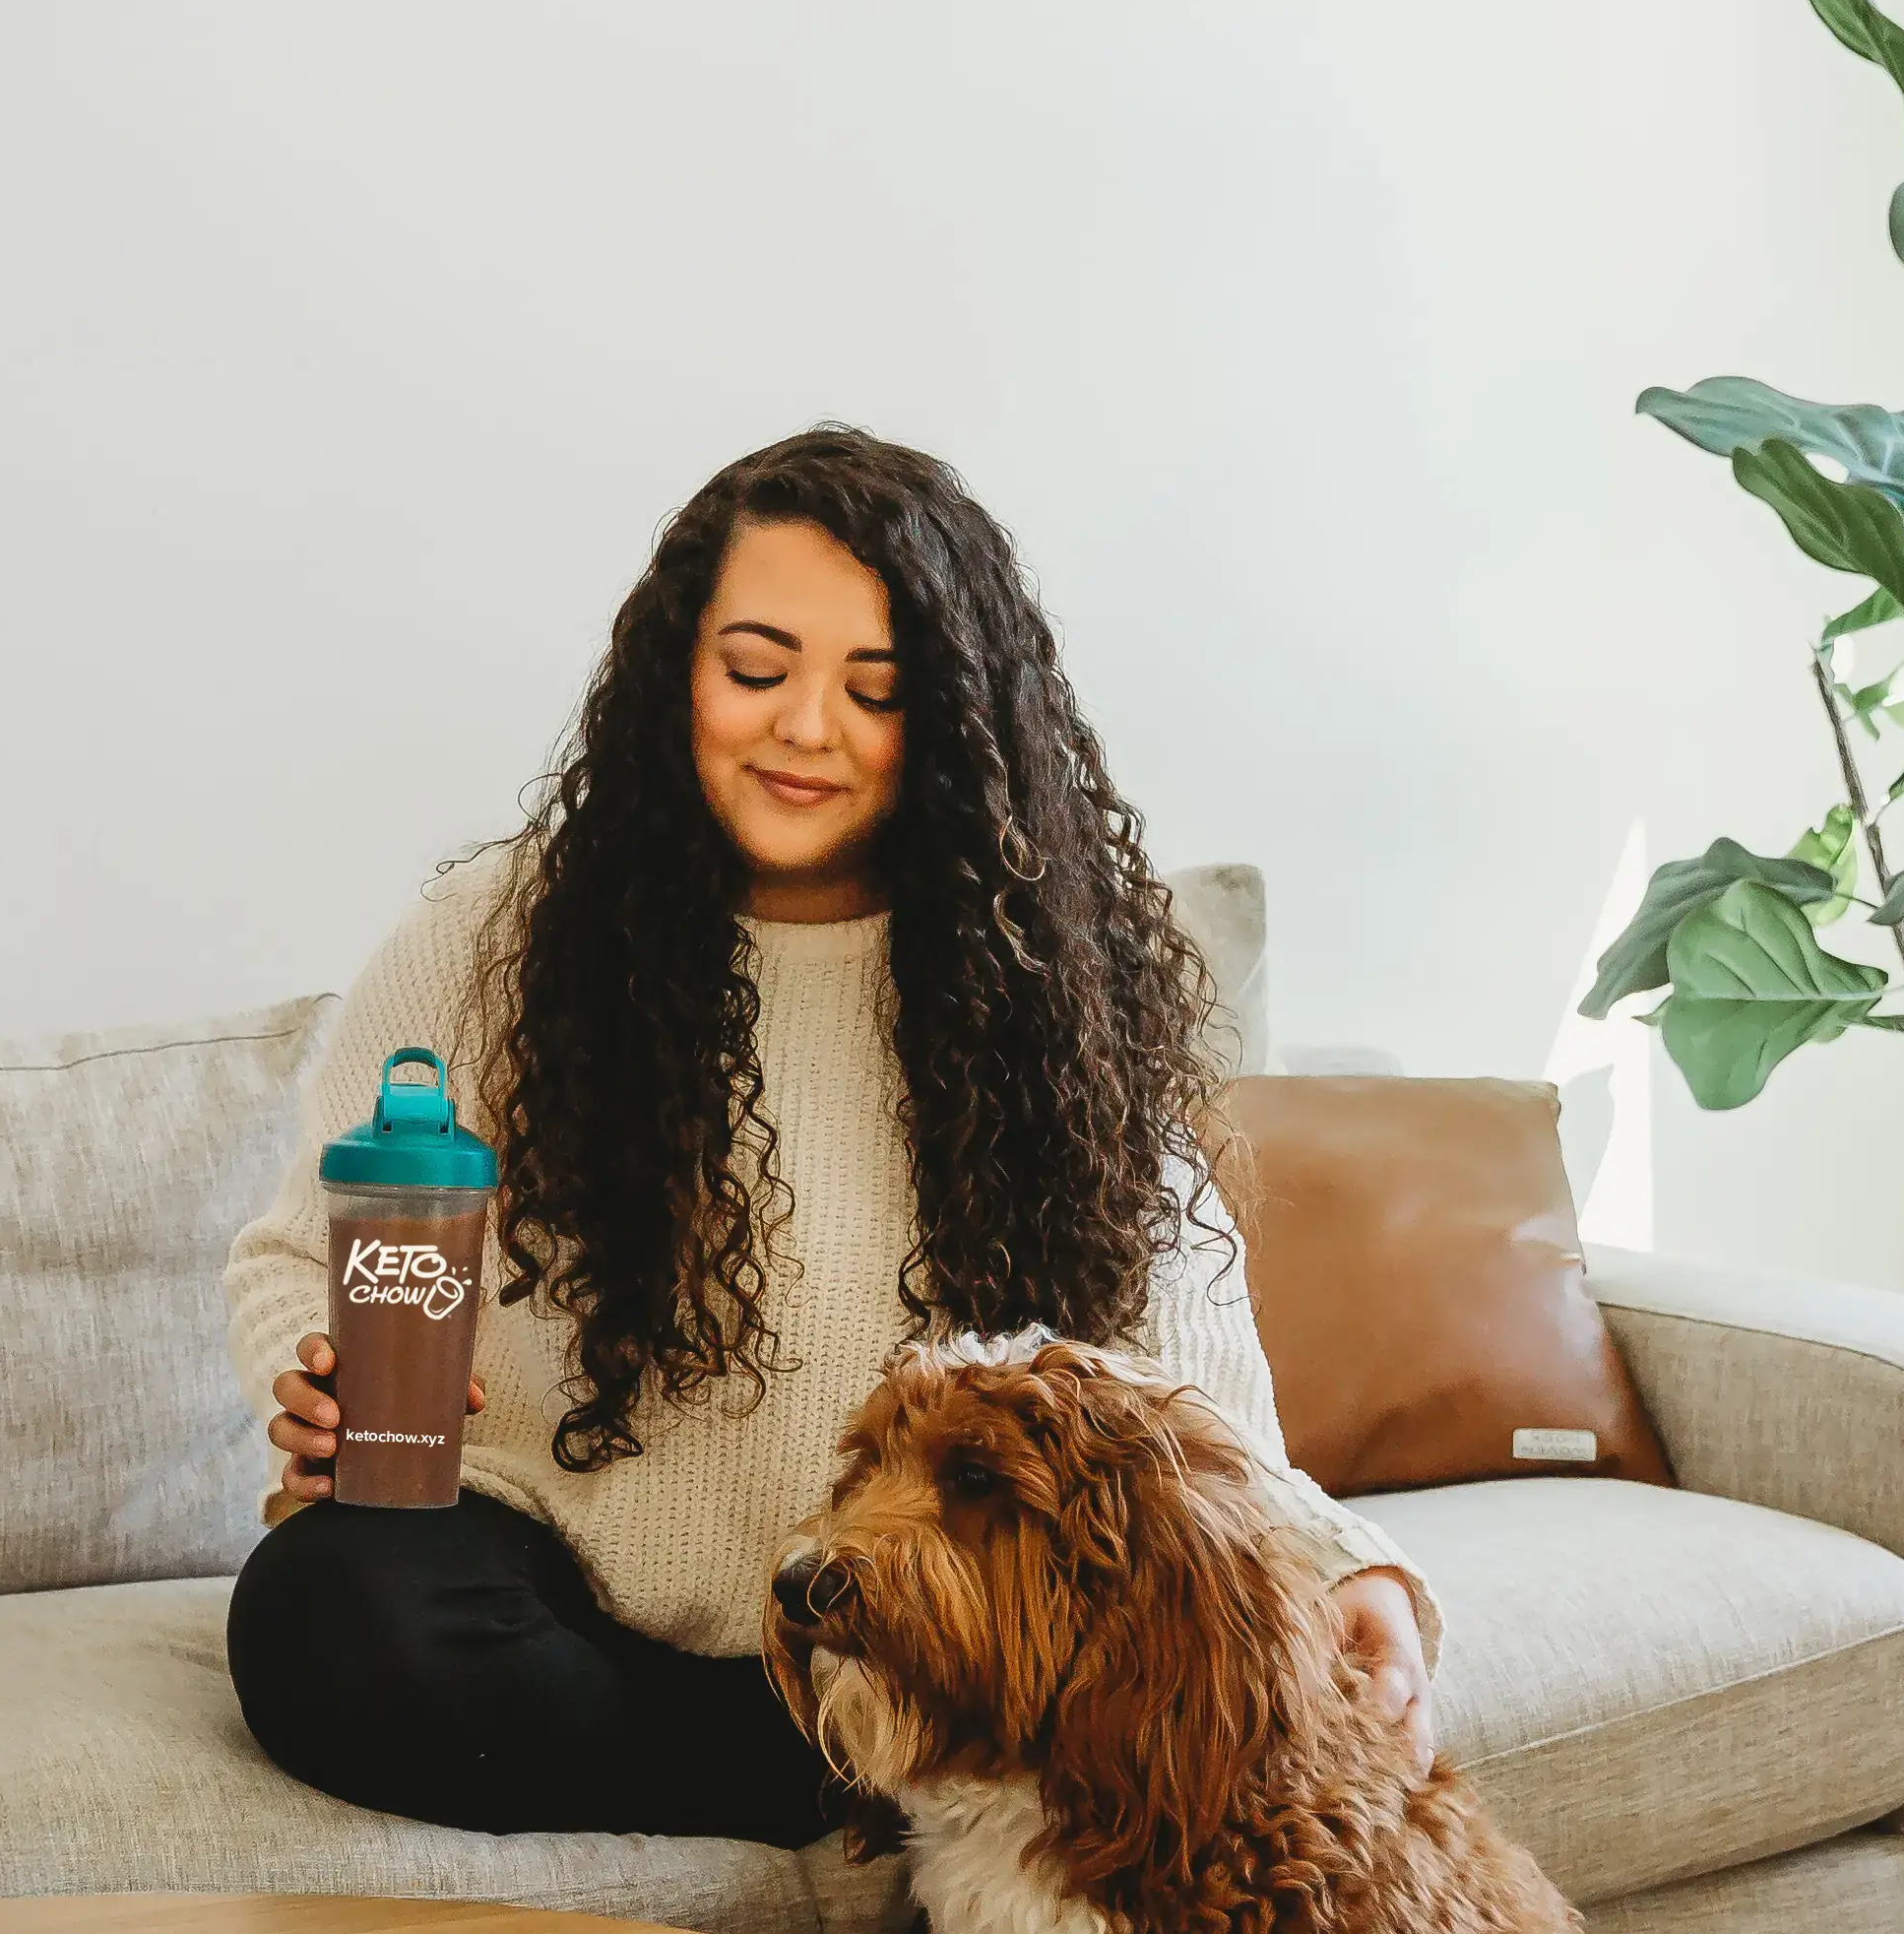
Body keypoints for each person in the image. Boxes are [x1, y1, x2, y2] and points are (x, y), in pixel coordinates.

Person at [222, 426, 1435, 1848]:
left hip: (929, 1609)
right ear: (675, 668)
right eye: (755, 670)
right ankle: (872, 1798)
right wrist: (310, 1380)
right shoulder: (493, 936)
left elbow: (1185, 1389)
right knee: (329, 1615)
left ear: (957, 725)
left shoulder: (1043, 974)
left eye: (875, 692)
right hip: (552, 1592)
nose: (805, 728)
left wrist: (1339, 1563)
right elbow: (301, 1254)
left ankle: (864, 1761)